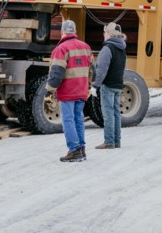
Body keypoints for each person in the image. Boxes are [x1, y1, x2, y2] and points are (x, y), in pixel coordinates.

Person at [43, 19, 92, 162]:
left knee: (68, 120)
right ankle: (81, 149)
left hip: (68, 91)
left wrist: (49, 91)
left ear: (62, 32)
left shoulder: (61, 49)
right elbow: (92, 70)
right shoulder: (86, 47)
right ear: (75, 31)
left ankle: (74, 150)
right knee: (79, 119)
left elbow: (56, 73)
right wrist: (88, 86)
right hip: (81, 90)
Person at [92, 21, 127, 149]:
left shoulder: (107, 48)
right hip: (118, 85)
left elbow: (101, 70)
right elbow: (123, 68)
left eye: (105, 32)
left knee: (108, 114)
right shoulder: (122, 49)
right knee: (116, 114)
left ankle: (109, 142)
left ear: (109, 34)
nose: (103, 34)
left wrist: (95, 86)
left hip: (108, 86)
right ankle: (117, 141)